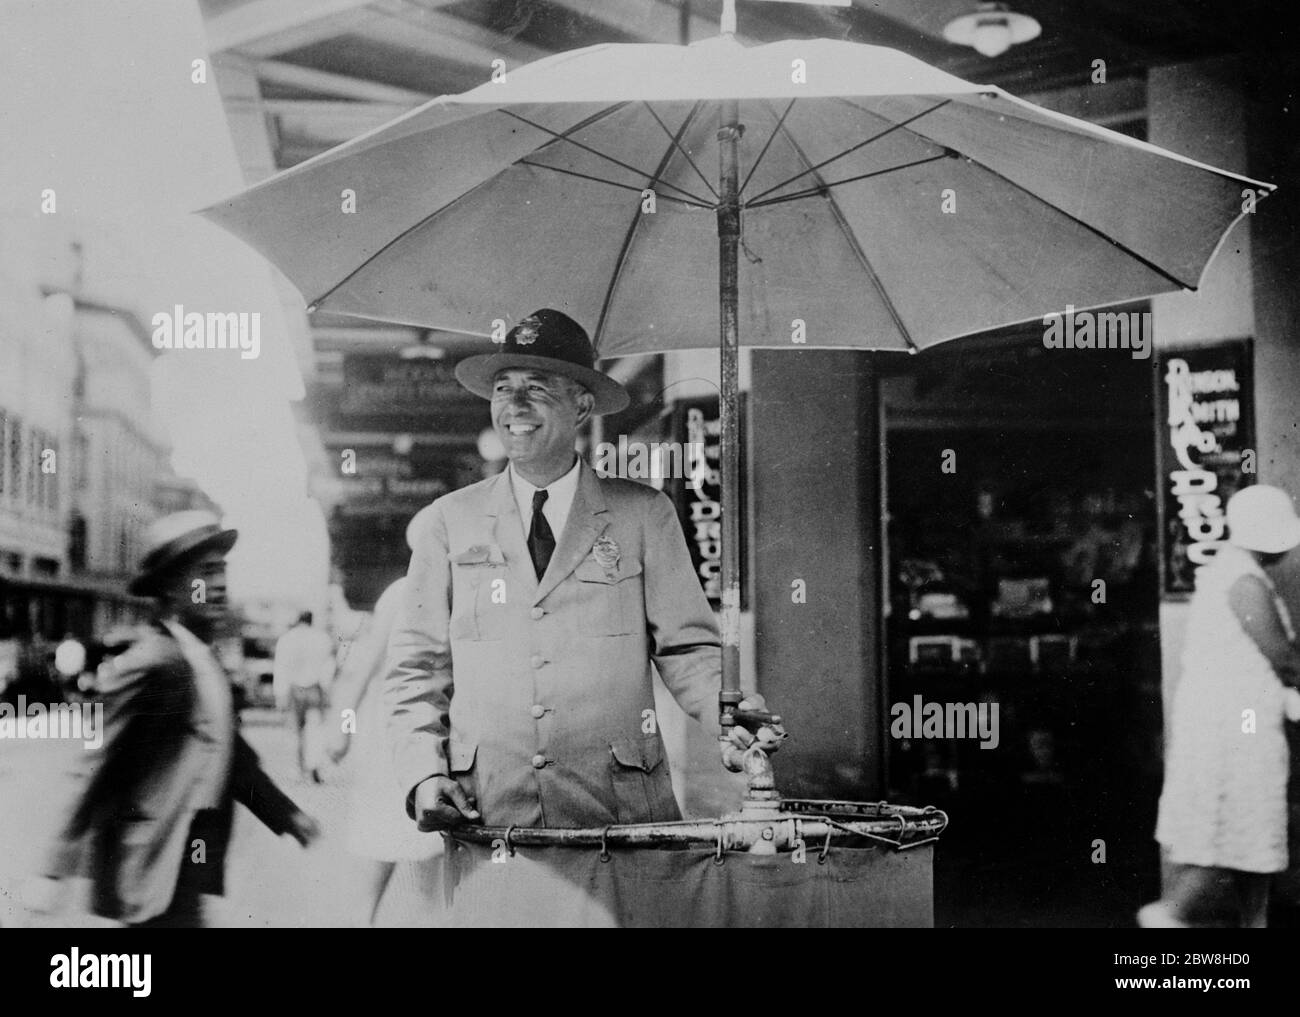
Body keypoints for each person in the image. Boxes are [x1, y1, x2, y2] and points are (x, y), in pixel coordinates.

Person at [385, 309, 783, 839]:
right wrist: (424, 773)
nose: (515, 405)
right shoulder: (447, 522)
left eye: (538, 387)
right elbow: (416, 668)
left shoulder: (643, 513)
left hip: (618, 807)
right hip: (489, 807)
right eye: (504, 388)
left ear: (583, 404)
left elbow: (687, 651)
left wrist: (728, 715)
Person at [27, 510, 320, 927]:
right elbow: (97, 765)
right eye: (204, 573)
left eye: (222, 571)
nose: (218, 585)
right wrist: (53, 867)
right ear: (169, 587)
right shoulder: (152, 663)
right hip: (148, 855)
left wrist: (287, 815)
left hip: (190, 852)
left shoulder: (203, 659)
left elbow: (231, 757)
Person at [1140, 485, 1300, 928]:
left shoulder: (1234, 573)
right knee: (1238, 827)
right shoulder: (1244, 582)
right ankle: (1171, 914)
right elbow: (1284, 659)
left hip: (1233, 721)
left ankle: (1254, 923)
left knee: (1251, 831)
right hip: (1239, 727)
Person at [323, 506, 444, 927]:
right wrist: (340, 729)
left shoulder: (456, 594)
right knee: (379, 863)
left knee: (430, 872)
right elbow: (364, 664)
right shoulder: (402, 592)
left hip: (430, 747)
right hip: (390, 746)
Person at [273, 610, 336, 783]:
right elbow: (329, 666)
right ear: (311, 621)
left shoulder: (286, 639)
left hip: (294, 689)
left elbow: (281, 667)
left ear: (297, 620)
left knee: (295, 731)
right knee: (315, 728)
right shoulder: (322, 638)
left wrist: (280, 693)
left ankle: (297, 768)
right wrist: (326, 688)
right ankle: (314, 765)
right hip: (315, 687)